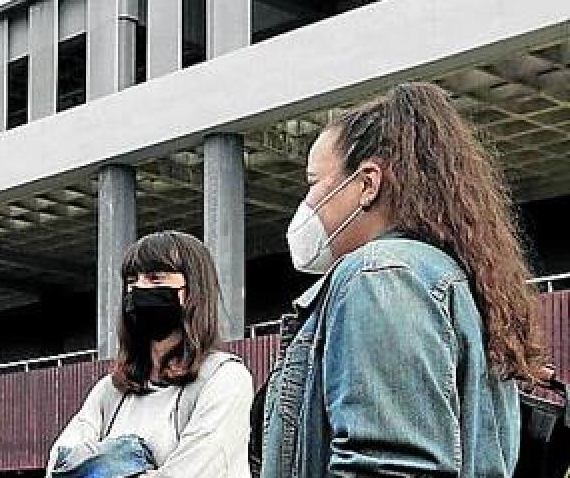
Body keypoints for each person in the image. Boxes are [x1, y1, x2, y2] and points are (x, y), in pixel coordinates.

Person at [259, 82, 544, 477]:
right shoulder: (440, 274)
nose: (307, 203)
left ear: (368, 184)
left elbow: (390, 467)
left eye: (313, 182)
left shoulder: (378, 275)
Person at [49, 231, 253, 478]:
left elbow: (195, 471)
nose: (139, 290)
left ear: (193, 291)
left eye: (156, 279)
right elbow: (60, 465)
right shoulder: (111, 390)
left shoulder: (224, 378)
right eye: (132, 281)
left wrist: (103, 465)